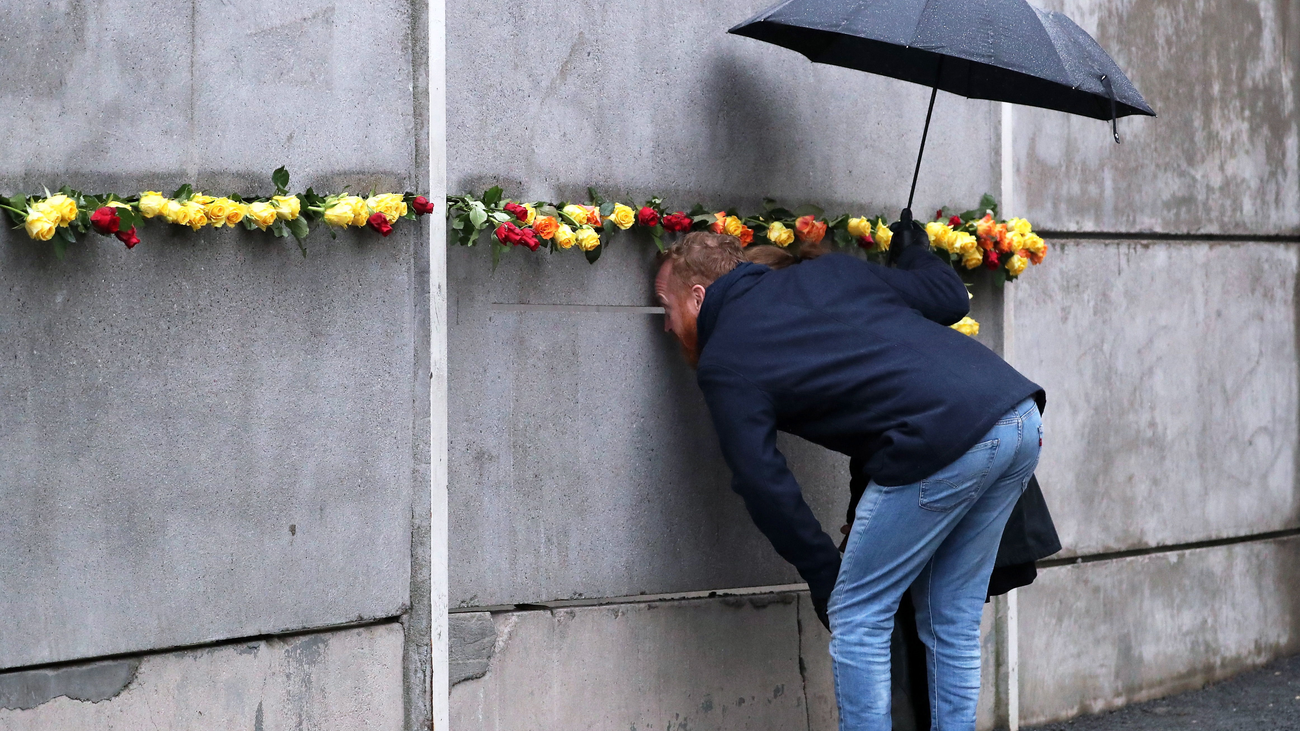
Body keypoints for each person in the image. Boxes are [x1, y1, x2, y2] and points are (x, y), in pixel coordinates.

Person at [656, 228, 1045, 730]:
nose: (665, 325)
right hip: (1017, 414)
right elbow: (948, 297)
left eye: (665, 308)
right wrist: (912, 251)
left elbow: (762, 482)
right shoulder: (829, 272)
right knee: (952, 616)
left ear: (697, 295)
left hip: (942, 437)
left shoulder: (726, 359)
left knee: (858, 616)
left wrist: (824, 577)